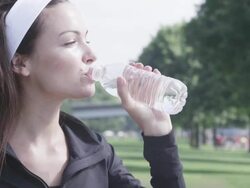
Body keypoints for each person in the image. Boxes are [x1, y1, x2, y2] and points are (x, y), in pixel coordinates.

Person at [0, 0, 186, 187]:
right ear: (20, 63)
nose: (92, 54)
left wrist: (158, 131)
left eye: (86, 40)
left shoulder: (95, 153)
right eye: (70, 42)